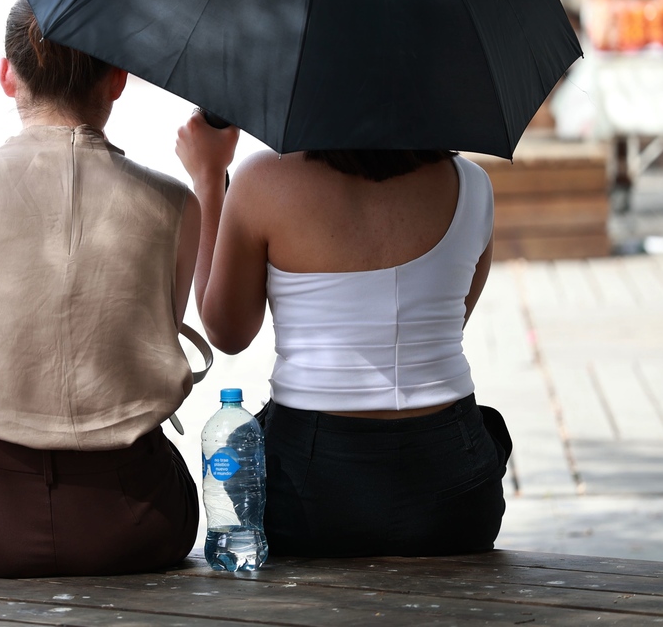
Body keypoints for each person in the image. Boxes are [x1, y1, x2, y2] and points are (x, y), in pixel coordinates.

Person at [0, 0, 205, 578]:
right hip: (133, 520)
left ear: (8, 74)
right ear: (118, 80)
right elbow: (153, 331)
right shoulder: (175, 204)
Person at [175, 120, 512, 557]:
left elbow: (227, 331)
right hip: (455, 493)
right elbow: (448, 322)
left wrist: (208, 176)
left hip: (310, 495)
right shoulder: (473, 185)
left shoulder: (264, 181)